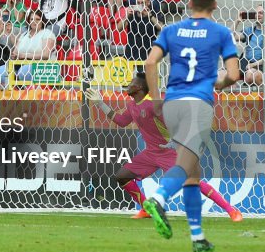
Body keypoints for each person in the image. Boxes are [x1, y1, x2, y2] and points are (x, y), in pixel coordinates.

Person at [141, 0, 241, 252]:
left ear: (189, 3)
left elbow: (150, 63)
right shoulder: (220, 32)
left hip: (172, 103)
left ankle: (198, 239)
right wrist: (217, 84)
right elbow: (233, 73)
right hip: (198, 103)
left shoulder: (171, 30)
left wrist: (156, 97)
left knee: (193, 174)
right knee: (185, 165)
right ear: (215, 4)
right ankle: (158, 198)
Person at [86, 73, 242, 221]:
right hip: (151, 153)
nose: (128, 85)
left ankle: (231, 210)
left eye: (132, 83)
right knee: (122, 176)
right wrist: (100, 103)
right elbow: (121, 121)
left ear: (140, 87)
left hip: (169, 152)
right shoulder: (133, 105)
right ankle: (146, 209)